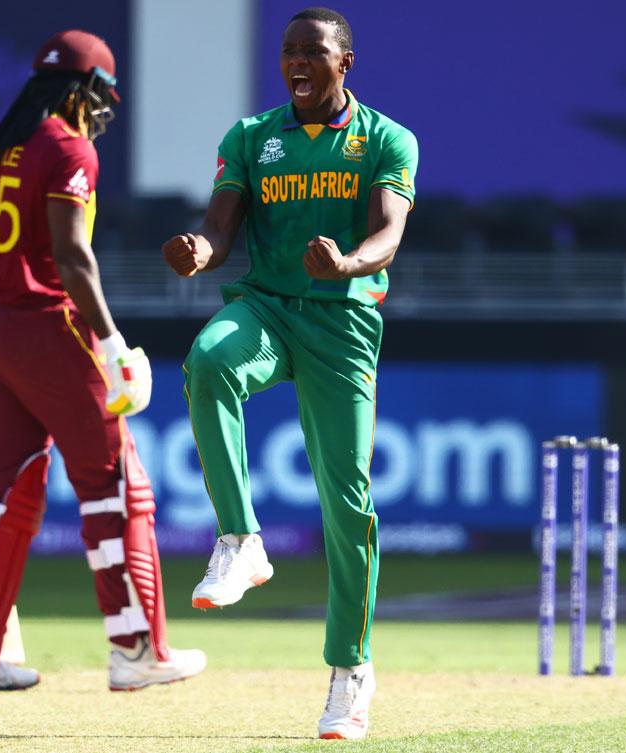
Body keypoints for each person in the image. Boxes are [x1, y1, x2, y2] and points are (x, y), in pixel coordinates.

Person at [161, 7, 417, 740]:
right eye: (288, 52)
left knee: (349, 504)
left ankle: (350, 671)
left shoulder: (387, 139)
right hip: (268, 308)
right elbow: (220, 225)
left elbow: (388, 232)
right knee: (208, 360)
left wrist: (348, 263)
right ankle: (240, 541)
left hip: (342, 320)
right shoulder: (252, 137)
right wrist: (202, 252)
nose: (297, 62)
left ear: (346, 63)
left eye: (314, 52)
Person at [0, 29, 206, 691]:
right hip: (46, 328)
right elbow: (72, 255)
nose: (103, 109)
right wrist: (112, 343)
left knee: (3, 490)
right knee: (115, 483)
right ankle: (138, 648)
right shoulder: (68, 147)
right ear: (84, 91)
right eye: (102, 95)